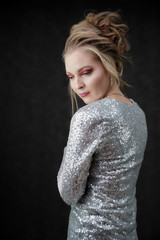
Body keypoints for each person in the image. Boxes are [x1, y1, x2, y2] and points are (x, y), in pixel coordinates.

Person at [57, 11, 147, 240]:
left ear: (108, 66)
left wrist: (70, 148)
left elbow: (68, 193)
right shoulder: (138, 113)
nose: (78, 85)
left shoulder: (88, 117)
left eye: (86, 72)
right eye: (70, 76)